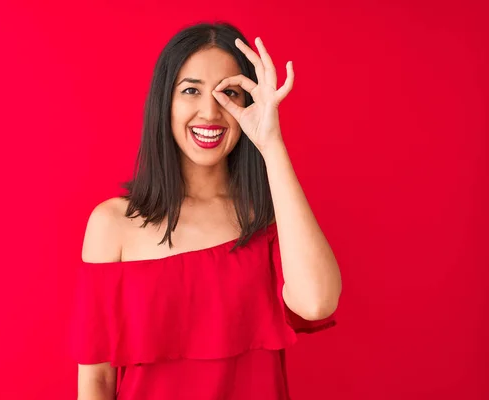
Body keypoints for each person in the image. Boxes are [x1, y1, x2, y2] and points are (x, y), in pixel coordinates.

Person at [70, 21, 342, 400]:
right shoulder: (112, 225)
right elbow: (96, 382)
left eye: (228, 92)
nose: (209, 111)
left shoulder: (267, 218)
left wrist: (271, 143)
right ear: (164, 100)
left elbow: (317, 302)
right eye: (191, 90)